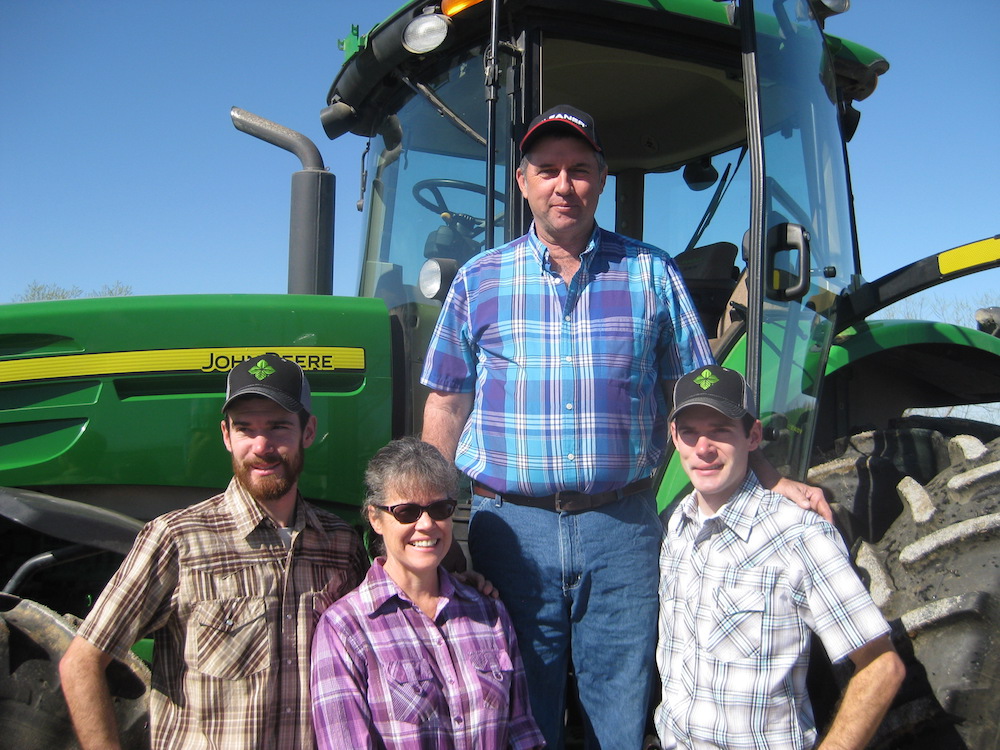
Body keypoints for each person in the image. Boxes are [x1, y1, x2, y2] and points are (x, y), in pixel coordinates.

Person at [420, 104, 827, 749]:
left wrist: (770, 478)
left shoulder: (652, 274)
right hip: (510, 528)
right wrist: (425, 511)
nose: (564, 185)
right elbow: (446, 401)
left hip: (622, 528)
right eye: (548, 170)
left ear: (602, 180)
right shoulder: (480, 279)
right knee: (519, 705)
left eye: (579, 170)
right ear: (522, 181)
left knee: (622, 700)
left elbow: (705, 396)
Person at [59, 353, 369, 750]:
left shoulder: (341, 546)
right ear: (226, 435)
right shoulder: (176, 539)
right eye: (245, 429)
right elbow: (82, 663)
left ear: (308, 431)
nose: (262, 446)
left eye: (278, 427)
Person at [655, 365, 905, 749]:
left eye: (720, 430)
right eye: (689, 431)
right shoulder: (676, 529)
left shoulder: (799, 535)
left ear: (753, 435)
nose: (703, 448)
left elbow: (881, 666)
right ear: (674, 436)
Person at [310, 437, 544, 749]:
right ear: (375, 518)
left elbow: (522, 734)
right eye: (406, 512)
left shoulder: (489, 613)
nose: (426, 524)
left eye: (439, 508)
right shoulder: (344, 629)